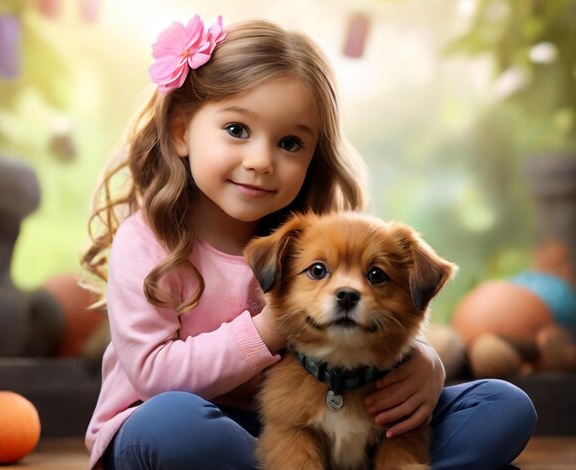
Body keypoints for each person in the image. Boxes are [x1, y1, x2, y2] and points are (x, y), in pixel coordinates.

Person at [82, 14, 537, 470]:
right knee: (173, 424)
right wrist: (267, 329)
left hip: (297, 423)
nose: (261, 161)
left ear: (314, 154)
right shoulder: (148, 242)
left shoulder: (308, 236)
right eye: (237, 130)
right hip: (179, 420)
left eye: (290, 143)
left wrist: (425, 365)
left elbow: (383, 316)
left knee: (502, 406)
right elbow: (153, 377)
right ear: (182, 131)